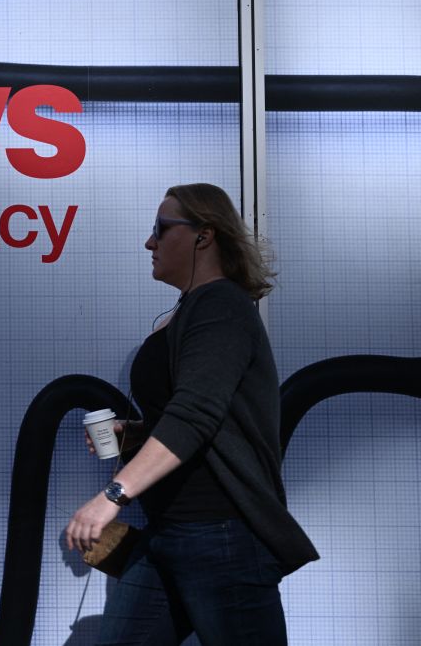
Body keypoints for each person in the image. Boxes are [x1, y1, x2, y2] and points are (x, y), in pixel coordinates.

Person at [64, 183, 318, 645]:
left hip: (221, 537)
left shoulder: (221, 307)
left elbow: (195, 417)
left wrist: (111, 497)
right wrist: (138, 434)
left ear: (204, 236)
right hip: (168, 535)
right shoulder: (187, 312)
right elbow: (200, 417)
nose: (150, 242)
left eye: (161, 229)